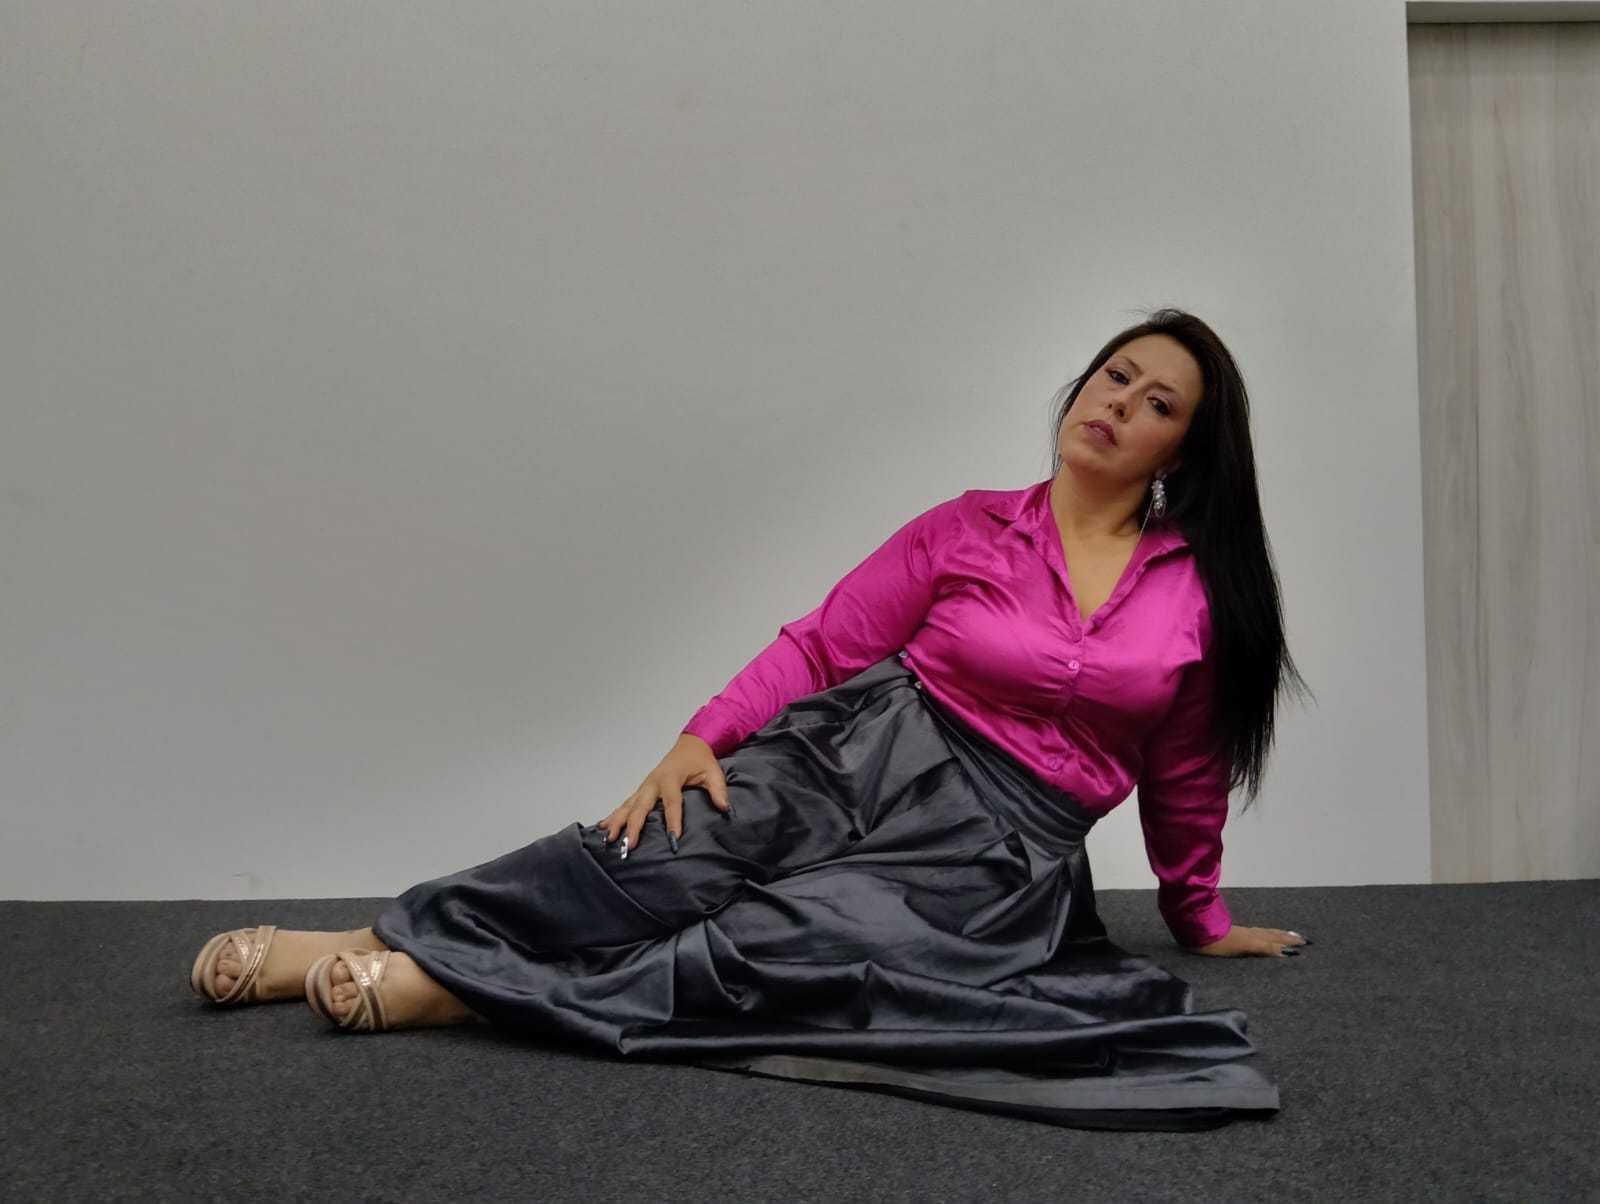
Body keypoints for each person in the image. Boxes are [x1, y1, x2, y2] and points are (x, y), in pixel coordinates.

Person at [190, 307, 1314, 1132]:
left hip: (993, 847)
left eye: (1156, 403)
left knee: (785, 944)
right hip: (857, 749)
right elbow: (823, 644)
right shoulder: (966, 526)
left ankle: (448, 990)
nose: (1117, 402)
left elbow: (1185, 772)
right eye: (1115, 375)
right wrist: (701, 738)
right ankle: (369, 940)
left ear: (1183, 451)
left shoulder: (1192, 593)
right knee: (647, 861)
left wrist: (1199, 915)